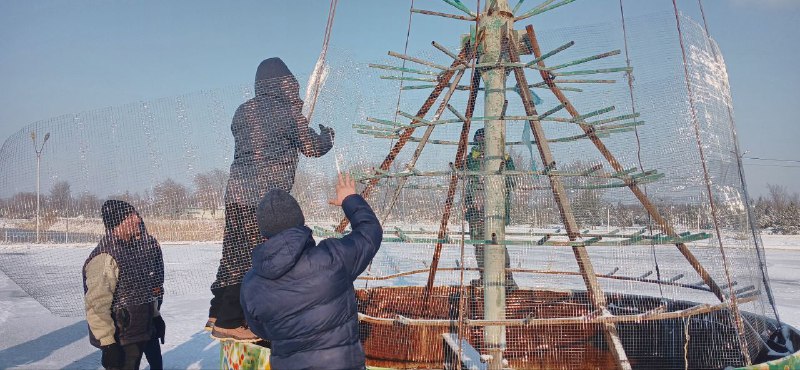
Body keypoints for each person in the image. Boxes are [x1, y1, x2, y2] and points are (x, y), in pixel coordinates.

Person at [209, 57, 334, 342]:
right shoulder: (287, 113)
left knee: (233, 252)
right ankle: (232, 320)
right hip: (263, 201)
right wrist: (327, 136)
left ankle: (216, 312)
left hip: (235, 195)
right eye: (291, 85)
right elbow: (312, 148)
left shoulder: (243, 111)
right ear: (283, 85)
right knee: (258, 259)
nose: (296, 90)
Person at [241, 173, 382, 369]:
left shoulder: (251, 285)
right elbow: (370, 232)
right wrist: (349, 199)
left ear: (263, 232)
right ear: (300, 222)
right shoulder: (333, 257)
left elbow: (263, 330)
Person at [83, 200, 165, 370]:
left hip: (139, 331)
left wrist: (155, 316)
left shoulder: (133, 249)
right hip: (121, 337)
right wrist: (107, 344)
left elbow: (143, 289)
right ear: (118, 222)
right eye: (131, 216)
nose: (137, 219)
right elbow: (96, 305)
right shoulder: (105, 257)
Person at [464, 128, 518, 289]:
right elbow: (466, 173)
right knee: (479, 243)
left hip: (494, 210)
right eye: (478, 141)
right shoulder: (472, 158)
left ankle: (507, 279)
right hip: (475, 210)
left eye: (484, 140)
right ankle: (484, 276)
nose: (481, 145)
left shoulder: (503, 158)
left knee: (497, 242)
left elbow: (511, 181)